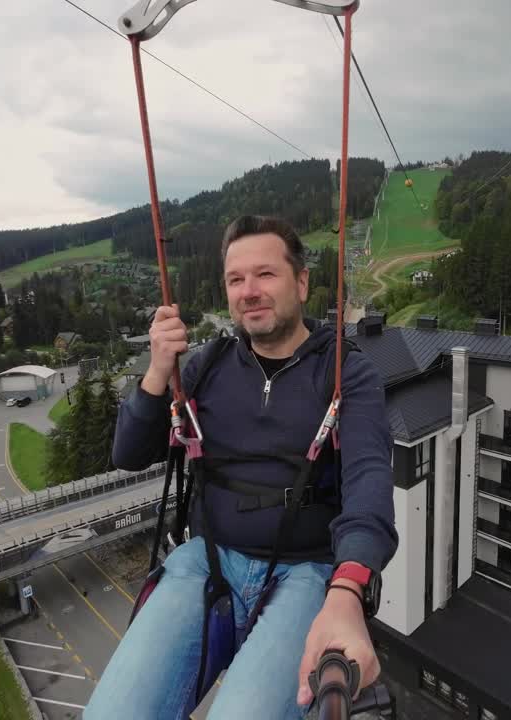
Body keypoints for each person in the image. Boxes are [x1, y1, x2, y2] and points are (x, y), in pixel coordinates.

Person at [85, 216, 397, 720]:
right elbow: (128, 454)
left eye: (265, 275)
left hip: (306, 573)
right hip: (207, 564)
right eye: (236, 280)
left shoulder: (344, 373)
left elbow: (368, 482)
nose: (249, 291)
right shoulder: (206, 366)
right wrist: (158, 371)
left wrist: (347, 588)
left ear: (301, 283)